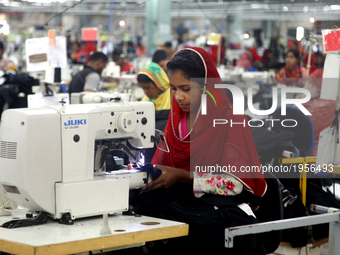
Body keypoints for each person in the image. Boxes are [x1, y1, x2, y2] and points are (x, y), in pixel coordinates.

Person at [135, 47, 267, 254]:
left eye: (186, 89)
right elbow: (163, 164)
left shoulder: (230, 119)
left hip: (220, 205)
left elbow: (233, 184)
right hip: (185, 201)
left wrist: (182, 176)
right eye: (173, 88)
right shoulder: (176, 119)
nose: (178, 97)